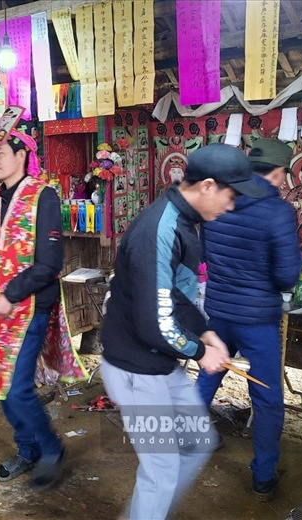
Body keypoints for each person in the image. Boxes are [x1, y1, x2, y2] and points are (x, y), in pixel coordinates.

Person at [100, 144, 267, 520]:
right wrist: (199, 351)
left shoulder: (184, 221)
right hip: (136, 369)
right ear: (208, 186)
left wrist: (205, 333)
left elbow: (175, 296)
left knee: (197, 442)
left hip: (158, 364)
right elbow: (154, 323)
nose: (231, 205)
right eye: (231, 195)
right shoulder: (158, 229)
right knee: (161, 471)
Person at [0, 120, 86, 491]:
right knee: (3, 386)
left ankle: (51, 449)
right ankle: (28, 449)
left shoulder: (44, 196)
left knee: (17, 386)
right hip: (1, 308)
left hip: (32, 306)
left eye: (0, 153)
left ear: (22, 156)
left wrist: (10, 294)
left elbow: (49, 264)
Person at [196, 139, 302, 501]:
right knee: (267, 396)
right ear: (276, 173)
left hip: (220, 311)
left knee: (209, 374)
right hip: (258, 319)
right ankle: (263, 475)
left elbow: (206, 254)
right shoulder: (278, 212)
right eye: (284, 174)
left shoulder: (221, 201)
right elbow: (287, 276)